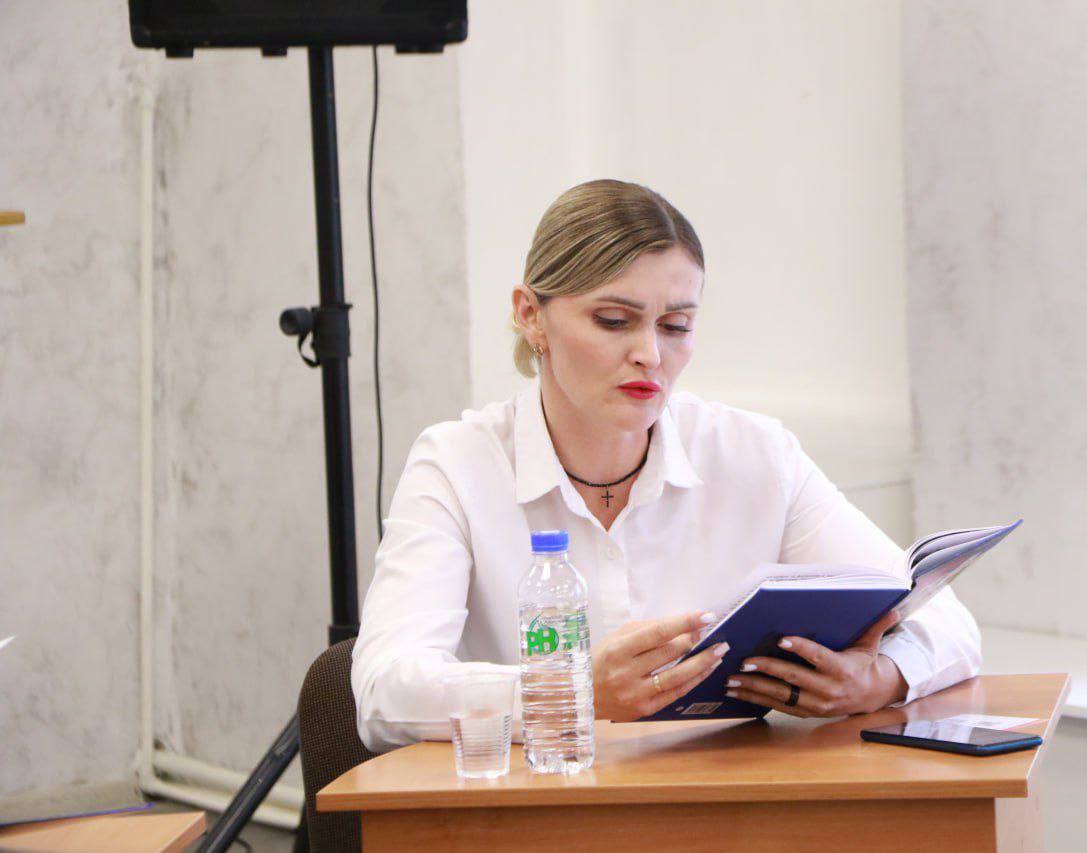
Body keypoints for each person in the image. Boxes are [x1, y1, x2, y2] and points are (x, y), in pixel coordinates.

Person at [351, 179, 981, 751]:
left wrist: (878, 680)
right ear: (529, 314)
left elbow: (946, 622)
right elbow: (383, 691)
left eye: (675, 326)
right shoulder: (456, 463)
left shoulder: (754, 453)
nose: (650, 355)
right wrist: (572, 693)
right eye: (613, 321)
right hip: (534, 807)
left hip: (726, 808)